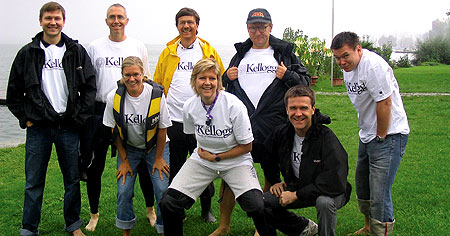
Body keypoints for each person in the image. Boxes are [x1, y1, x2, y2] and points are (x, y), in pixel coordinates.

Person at [6, 2, 96, 235]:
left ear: (63, 21)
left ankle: (73, 225)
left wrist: (78, 119)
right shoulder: (28, 52)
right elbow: (14, 92)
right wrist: (25, 118)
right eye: (48, 18)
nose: (53, 22)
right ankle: (29, 228)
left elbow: (89, 87)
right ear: (41, 21)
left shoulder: (75, 50)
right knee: (34, 182)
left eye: (57, 18)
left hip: (68, 126)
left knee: (72, 180)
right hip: (38, 128)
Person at [218, 8, 310, 235]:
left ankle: (263, 226)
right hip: (241, 124)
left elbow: (305, 84)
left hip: (274, 127)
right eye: (253, 27)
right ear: (247, 28)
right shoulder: (240, 54)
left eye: (262, 26)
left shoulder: (284, 54)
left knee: (272, 176)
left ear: (270, 27)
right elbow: (222, 87)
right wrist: (224, 77)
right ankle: (224, 225)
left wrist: (287, 75)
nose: (258, 31)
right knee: (230, 175)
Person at [159, 58, 270, 236]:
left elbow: (247, 146)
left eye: (213, 78)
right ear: (194, 81)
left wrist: (217, 157)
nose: (208, 83)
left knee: (257, 206)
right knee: (169, 203)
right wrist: (208, 156)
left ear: (219, 81)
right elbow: (194, 134)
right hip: (203, 160)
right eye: (202, 78)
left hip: (236, 161)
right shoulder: (189, 106)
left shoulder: (234, 105)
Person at [81, 3, 156, 231]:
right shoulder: (94, 47)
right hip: (101, 112)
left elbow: (147, 78)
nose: (116, 21)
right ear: (106, 21)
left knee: (142, 163)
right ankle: (94, 213)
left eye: (120, 17)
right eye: (112, 17)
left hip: (133, 111)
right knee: (96, 166)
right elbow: (88, 81)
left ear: (126, 20)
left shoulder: (137, 45)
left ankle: (150, 209)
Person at [330, 32, 410, 236]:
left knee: (380, 193)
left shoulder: (374, 67)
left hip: (388, 135)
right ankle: (368, 227)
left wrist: (381, 137)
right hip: (367, 134)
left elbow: (385, 103)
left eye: (345, 56)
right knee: (363, 186)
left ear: (358, 49)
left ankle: (380, 232)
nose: (341, 62)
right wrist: (370, 134)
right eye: (337, 57)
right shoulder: (349, 68)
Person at [153, 7, 224, 223]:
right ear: (177, 26)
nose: (186, 26)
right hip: (173, 119)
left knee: (205, 164)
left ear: (197, 25)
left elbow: (219, 82)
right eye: (182, 22)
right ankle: (177, 209)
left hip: (202, 120)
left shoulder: (208, 51)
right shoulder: (168, 52)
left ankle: (206, 209)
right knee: (176, 167)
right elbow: (157, 83)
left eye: (190, 22)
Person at [262, 85, 352, 236]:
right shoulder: (281, 133)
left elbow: (335, 180)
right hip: (298, 187)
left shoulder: (326, 137)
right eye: (293, 108)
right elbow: (266, 156)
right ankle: (302, 228)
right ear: (287, 110)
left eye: (303, 108)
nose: (298, 114)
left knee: (324, 202)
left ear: (313, 109)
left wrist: (297, 195)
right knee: (261, 202)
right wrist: (275, 180)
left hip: (332, 191)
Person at [103, 56, 171, 235]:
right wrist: (124, 160)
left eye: (136, 74)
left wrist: (158, 158)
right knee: (124, 190)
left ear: (143, 74)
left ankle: (164, 229)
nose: (132, 79)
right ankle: (126, 229)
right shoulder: (113, 97)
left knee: (162, 189)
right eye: (127, 75)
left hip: (155, 147)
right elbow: (113, 132)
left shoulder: (156, 95)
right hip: (129, 149)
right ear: (122, 76)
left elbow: (163, 129)